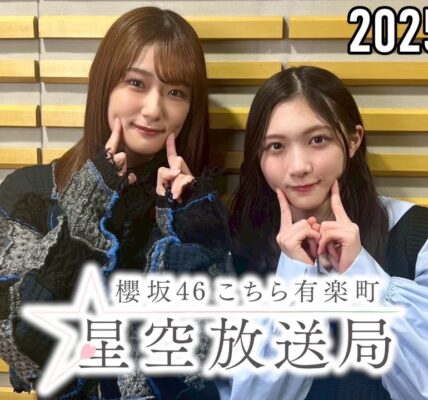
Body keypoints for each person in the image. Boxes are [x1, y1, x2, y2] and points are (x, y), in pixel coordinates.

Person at [0, 6, 230, 399]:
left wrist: (184, 225)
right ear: (105, 85)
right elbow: (25, 351)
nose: (154, 109)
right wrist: (90, 200)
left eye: (175, 92)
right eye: (136, 83)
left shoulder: (192, 208)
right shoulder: (29, 192)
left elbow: (202, 360)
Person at [225, 66, 428, 399]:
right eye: (276, 146)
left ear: (353, 140)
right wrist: (293, 282)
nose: (299, 166)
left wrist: (364, 277)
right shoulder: (238, 251)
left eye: (317, 140)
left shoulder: (417, 236)